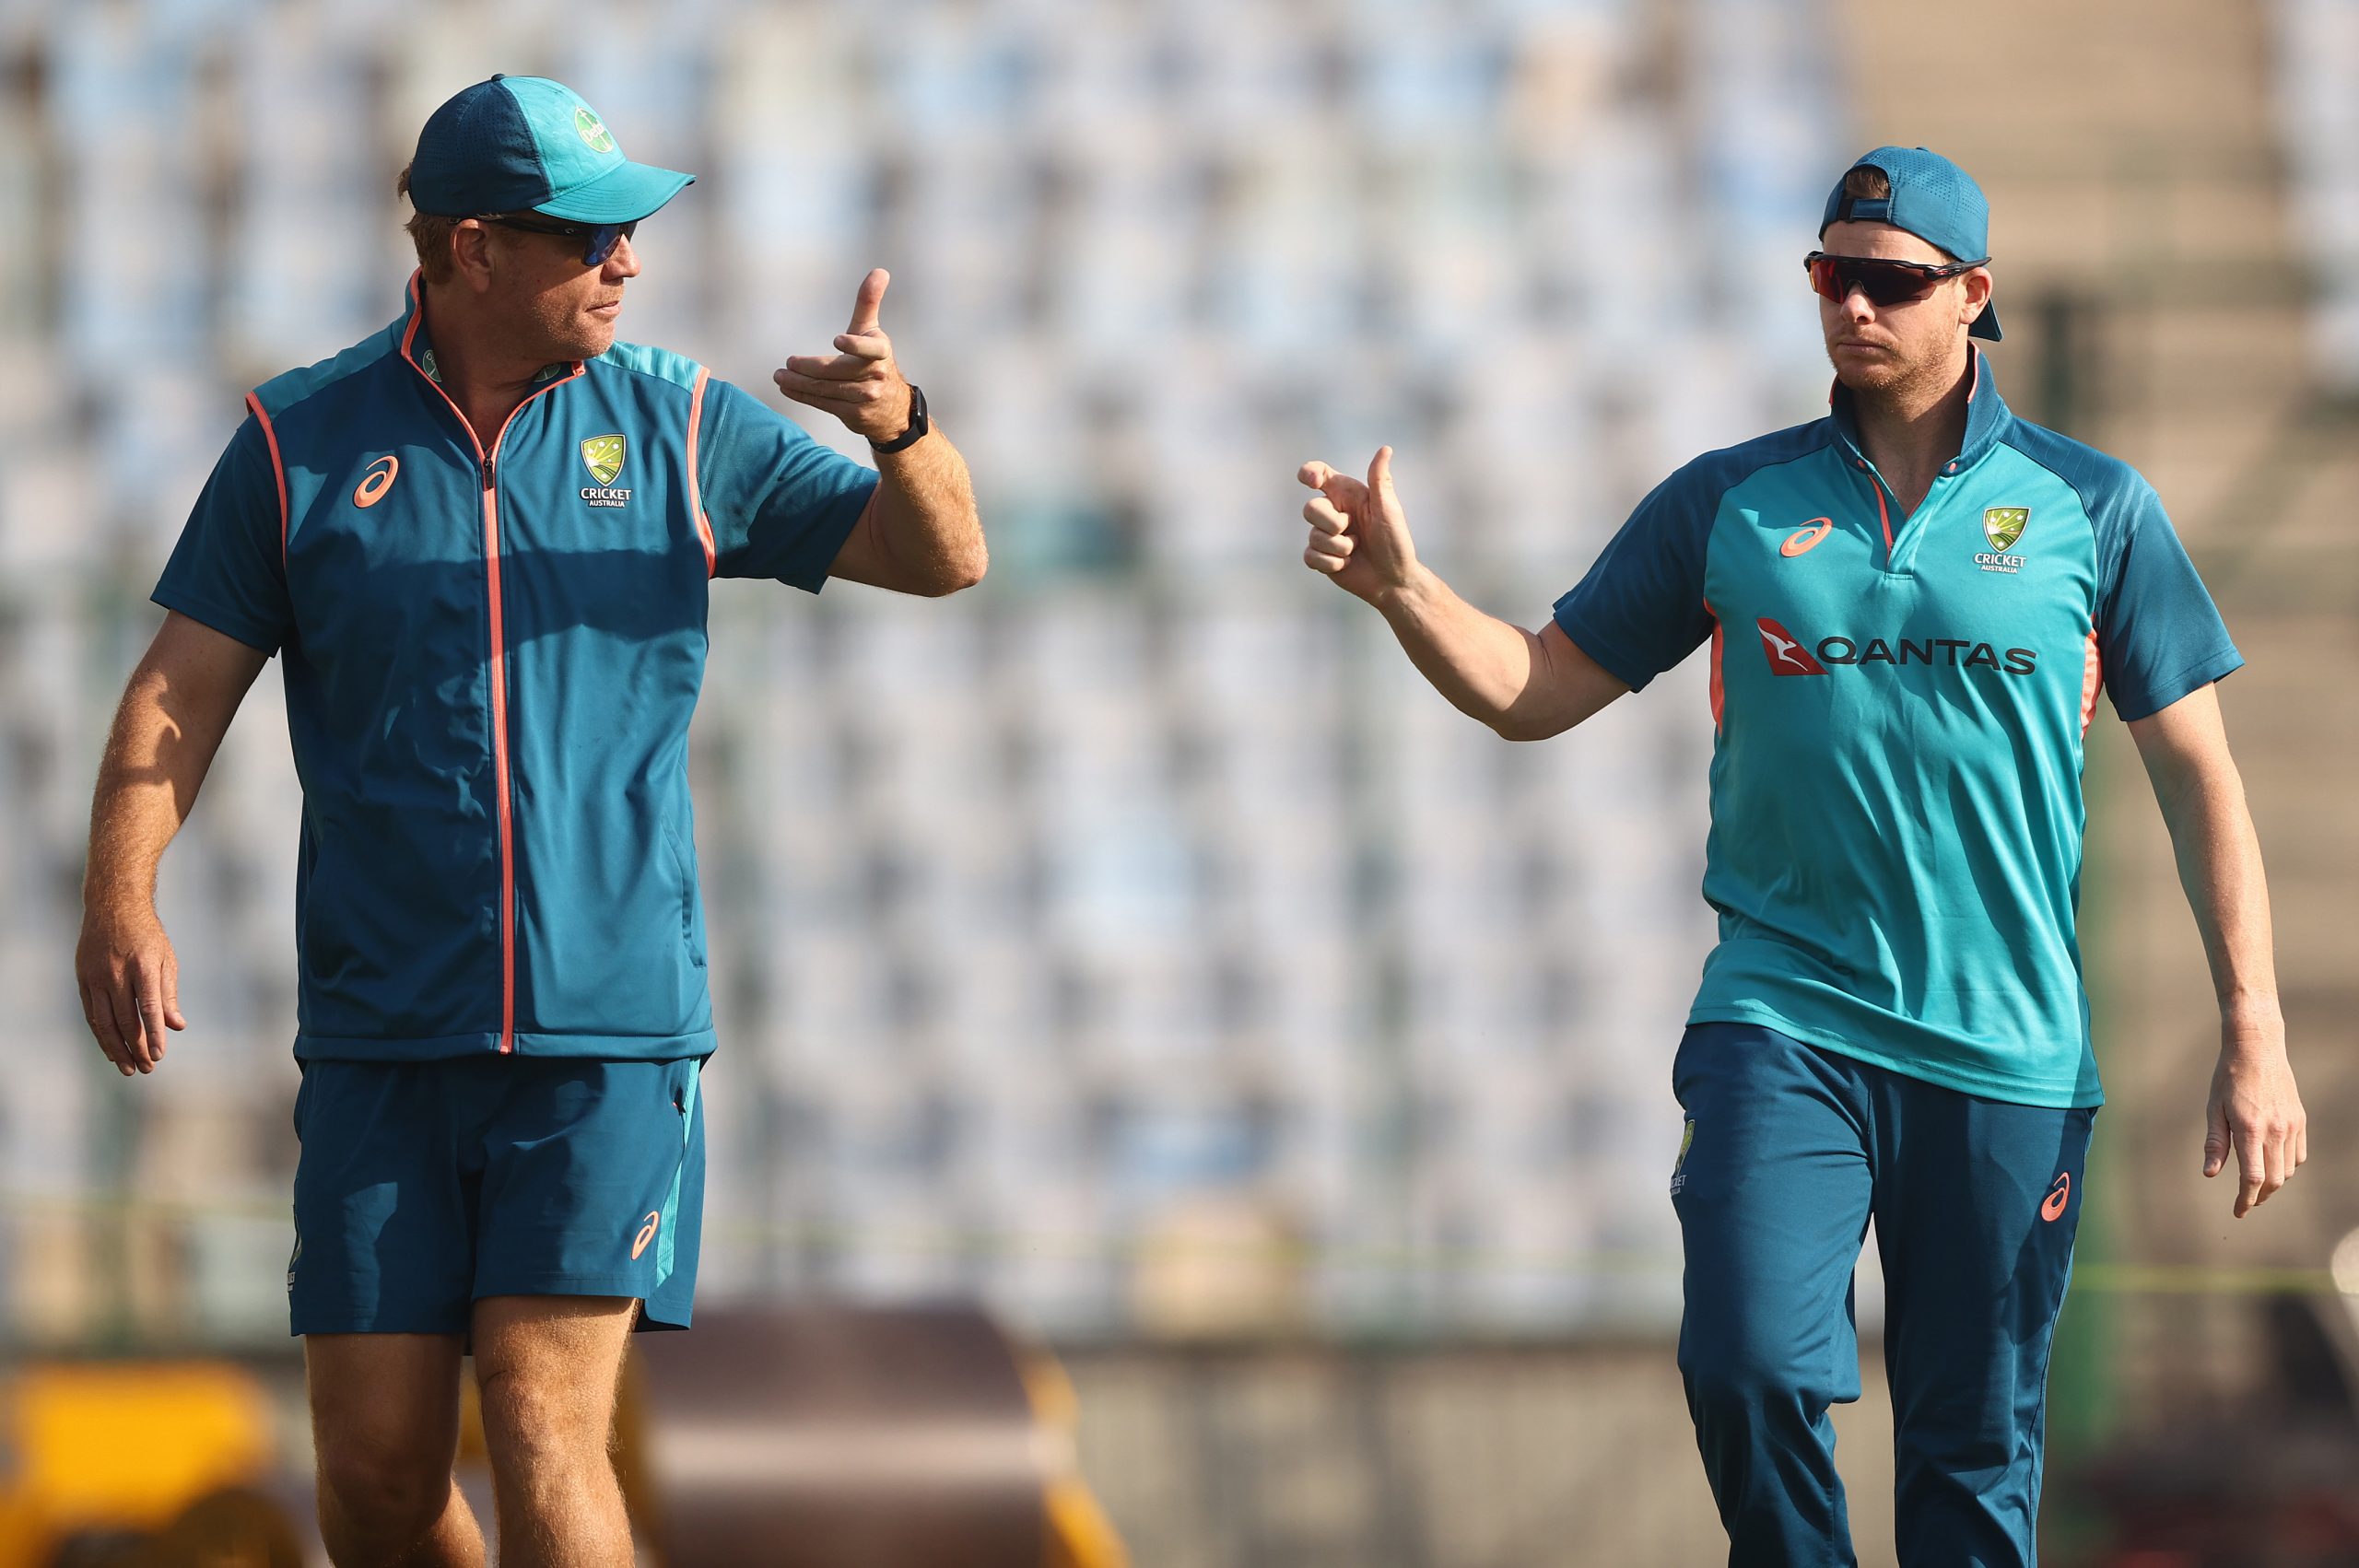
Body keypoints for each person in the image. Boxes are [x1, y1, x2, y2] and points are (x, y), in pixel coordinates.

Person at [1294, 146, 2306, 1564]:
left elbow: (2203, 775)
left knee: (1970, 1472)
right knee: (1749, 1365)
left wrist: (2251, 1028)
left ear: (1974, 297)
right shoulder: (1734, 500)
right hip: (1785, 1020)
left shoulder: (2096, 507)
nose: (1852, 308)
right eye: (1832, 276)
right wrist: (1406, 589)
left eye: (1890, 282)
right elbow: (1536, 689)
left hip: (2005, 1049)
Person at [73, 74, 982, 1568]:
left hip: (604, 1035)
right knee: (371, 1475)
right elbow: (176, 692)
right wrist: (122, 896)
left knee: (546, 1426)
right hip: (382, 1033)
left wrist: (907, 428)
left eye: (633, 232)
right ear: (472, 250)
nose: (629, 261)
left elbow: (944, 555)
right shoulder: (298, 442)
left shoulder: (683, 421)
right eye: (592, 235)